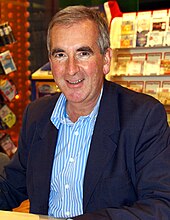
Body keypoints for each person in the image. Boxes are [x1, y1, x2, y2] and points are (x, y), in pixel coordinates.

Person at [0, 5, 170, 220]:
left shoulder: (143, 117)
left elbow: (161, 206)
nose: (71, 69)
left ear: (106, 60)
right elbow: (13, 183)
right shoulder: (37, 114)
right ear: (50, 62)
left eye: (83, 53)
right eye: (60, 54)